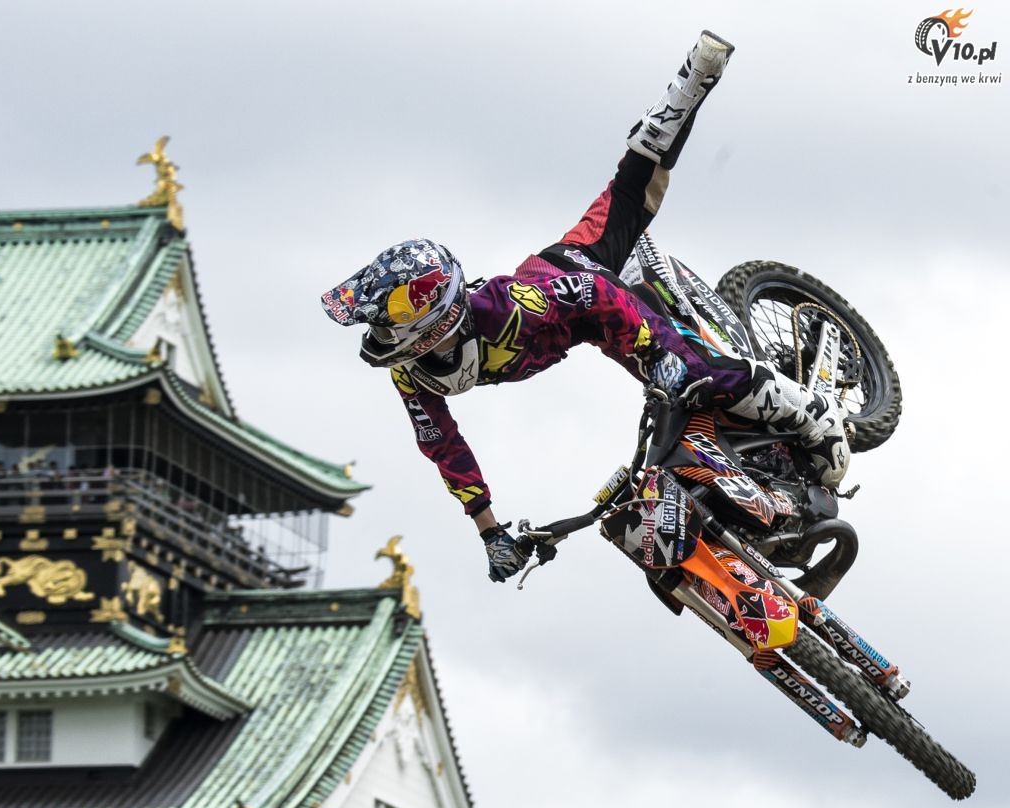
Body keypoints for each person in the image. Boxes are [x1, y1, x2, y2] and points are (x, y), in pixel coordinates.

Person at [319, 32, 851, 584]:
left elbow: (595, 296)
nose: (385, 325)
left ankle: (812, 415)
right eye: (383, 315)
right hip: (588, 321)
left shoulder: (504, 310)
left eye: (395, 311)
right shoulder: (412, 374)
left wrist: (654, 352)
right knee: (672, 430)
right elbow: (445, 448)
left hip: (589, 282)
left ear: (437, 313)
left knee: (688, 361)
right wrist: (491, 533)